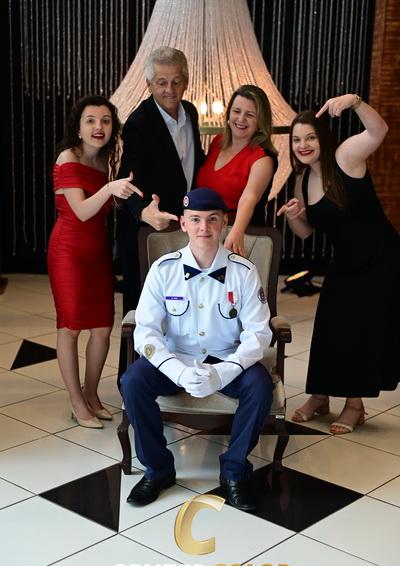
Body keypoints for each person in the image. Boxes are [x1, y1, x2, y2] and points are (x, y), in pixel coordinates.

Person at [120, 187, 273, 511]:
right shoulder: (164, 269)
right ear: (183, 224)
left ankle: (234, 472)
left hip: (225, 358)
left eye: (212, 219)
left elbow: (259, 334)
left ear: (224, 223)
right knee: (132, 381)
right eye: (195, 220)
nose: (204, 227)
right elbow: (146, 332)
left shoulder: (244, 272)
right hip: (176, 357)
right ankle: (158, 470)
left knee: (260, 386)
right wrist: (176, 371)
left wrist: (223, 373)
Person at [277, 94, 400, 434]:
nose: (303, 145)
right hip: (345, 261)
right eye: (297, 140)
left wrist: (355, 102)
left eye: (310, 137)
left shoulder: (346, 157)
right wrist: (294, 217)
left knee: (359, 331)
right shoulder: (302, 180)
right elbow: (306, 232)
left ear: (323, 138)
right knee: (328, 328)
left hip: (380, 259)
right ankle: (319, 397)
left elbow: (379, 130)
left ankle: (354, 406)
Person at [47, 95, 142, 428]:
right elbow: (83, 211)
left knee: (102, 327)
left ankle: (91, 394)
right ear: (78, 127)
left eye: (105, 120)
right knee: (70, 327)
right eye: (90, 120)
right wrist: (111, 189)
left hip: (97, 251)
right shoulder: (67, 157)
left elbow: (105, 205)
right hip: (68, 252)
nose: (98, 127)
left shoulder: (105, 162)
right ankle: (77, 401)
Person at [117, 46, 204, 317]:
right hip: (147, 232)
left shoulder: (191, 112)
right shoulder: (138, 123)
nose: (170, 89)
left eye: (176, 81)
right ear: (149, 84)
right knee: (144, 314)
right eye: (161, 82)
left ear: (186, 81)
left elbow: (191, 165)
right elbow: (125, 181)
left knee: (180, 311)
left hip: (183, 230)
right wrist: (144, 212)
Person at [196, 84, 278, 256]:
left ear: (260, 122)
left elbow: (250, 197)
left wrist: (236, 233)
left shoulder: (263, 158)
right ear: (228, 114)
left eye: (250, 115)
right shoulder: (217, 142)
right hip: (205, 234)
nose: (241, 119)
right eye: (237, 111)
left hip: (238, 237)